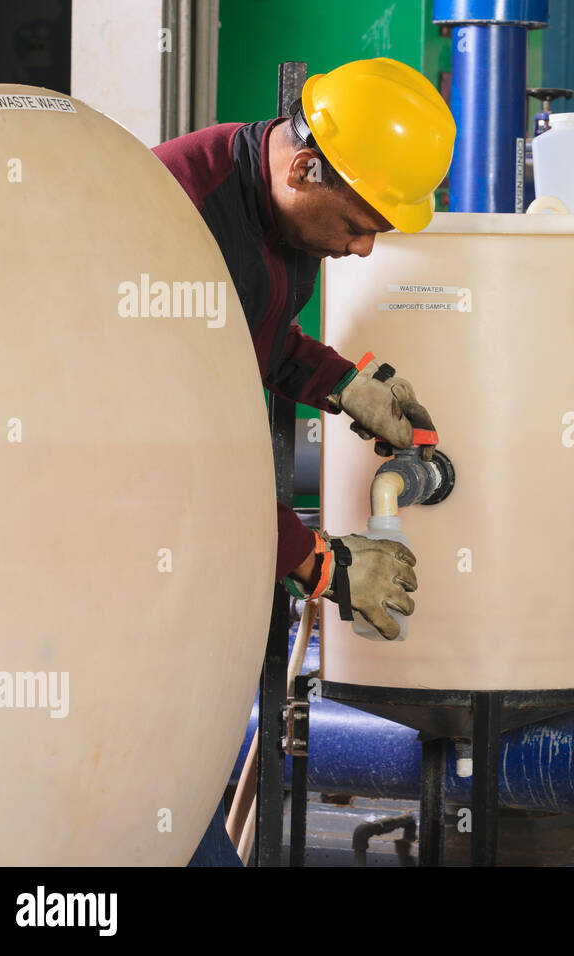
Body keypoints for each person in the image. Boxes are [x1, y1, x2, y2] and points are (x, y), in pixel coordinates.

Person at [152, 57, 455, 865]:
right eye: (359, 226)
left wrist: (343, 383)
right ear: (305, 167)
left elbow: (250, 342)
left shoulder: (275, 215)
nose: (359, 250)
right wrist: (316, 561)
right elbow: (177, 452)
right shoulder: (179, 217)